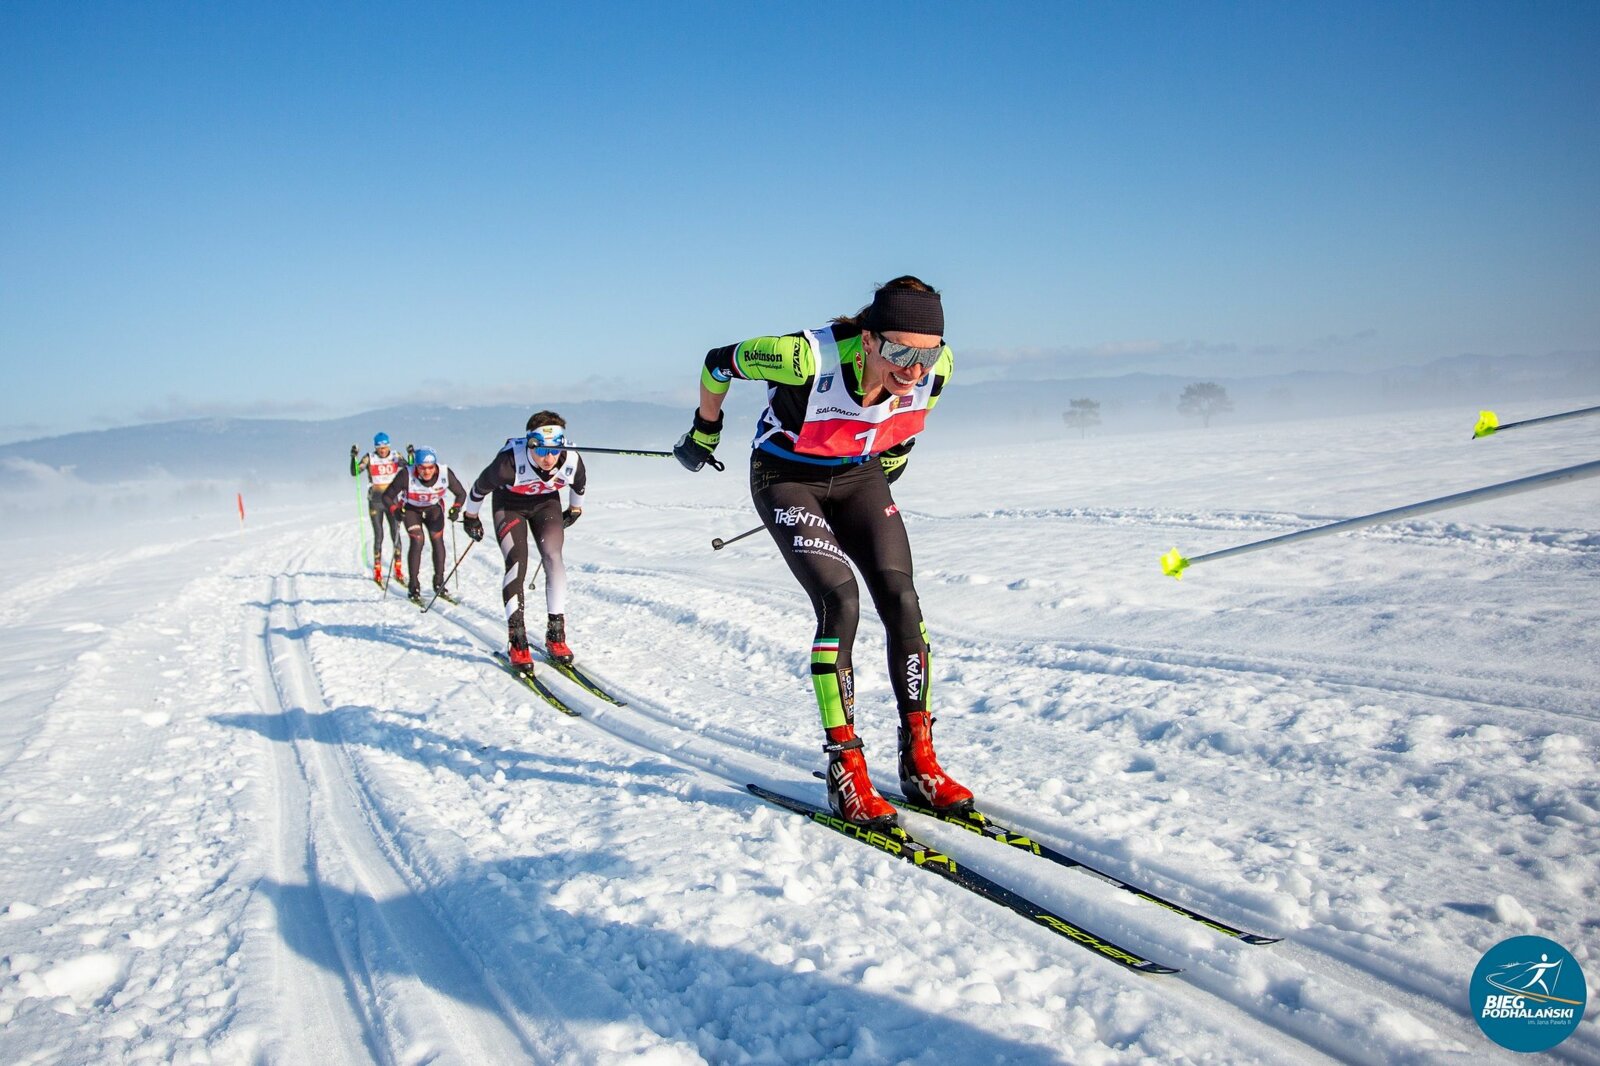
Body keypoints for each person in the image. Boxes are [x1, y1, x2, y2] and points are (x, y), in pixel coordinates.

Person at [674, 276, 972, 828]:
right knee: (842, 600)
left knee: (902, 598)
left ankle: (919, 760)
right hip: (785, 476)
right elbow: (717, 363)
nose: (913, 369)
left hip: (858, 473)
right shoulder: (803, 358)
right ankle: (845, 769)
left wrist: (891, 459)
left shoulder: (939, 367)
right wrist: (704, 432)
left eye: (926, 355)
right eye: (899, 352)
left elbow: (908, 421)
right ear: (867, 339)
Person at [459, 411, 587, 668]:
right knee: (517, 562)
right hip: (510, 506)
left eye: (554, 450)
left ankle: (556, 634)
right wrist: (471, 517)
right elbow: (478, 489)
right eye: (541, 451)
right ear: (530, 444)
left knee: (553, 557)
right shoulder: (508, 463)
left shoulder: (571, 459)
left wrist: (574, 510)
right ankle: (517, 639)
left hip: (546, 504)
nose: (548, 458)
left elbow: (579, 484)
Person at [381, 447, 467, 604]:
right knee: (417, 540)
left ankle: (439, 583)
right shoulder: (406, 475)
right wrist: (395, 510)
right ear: (416, 466)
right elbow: (386, 496)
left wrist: (456, 508)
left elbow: (461, 493)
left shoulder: (444, 473)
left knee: (437, 540)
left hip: (434, 509)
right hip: (411, 510)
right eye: (422, 468)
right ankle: (413, 587)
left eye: (430, 467)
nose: (427, 472)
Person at [351, 432, 406, 585]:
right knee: (379, 535)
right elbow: (355, 472)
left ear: (389, 446)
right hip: (375, 501)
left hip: (392, 500)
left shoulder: (395, 456)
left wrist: (411, 454)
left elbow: (410, 466)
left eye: (385, 447)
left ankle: (398, 569)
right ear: (375, 448)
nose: (382, 450)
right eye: (380, 448)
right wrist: (353, 457)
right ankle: (377, 570)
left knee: (396, 533)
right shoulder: (369, 458)